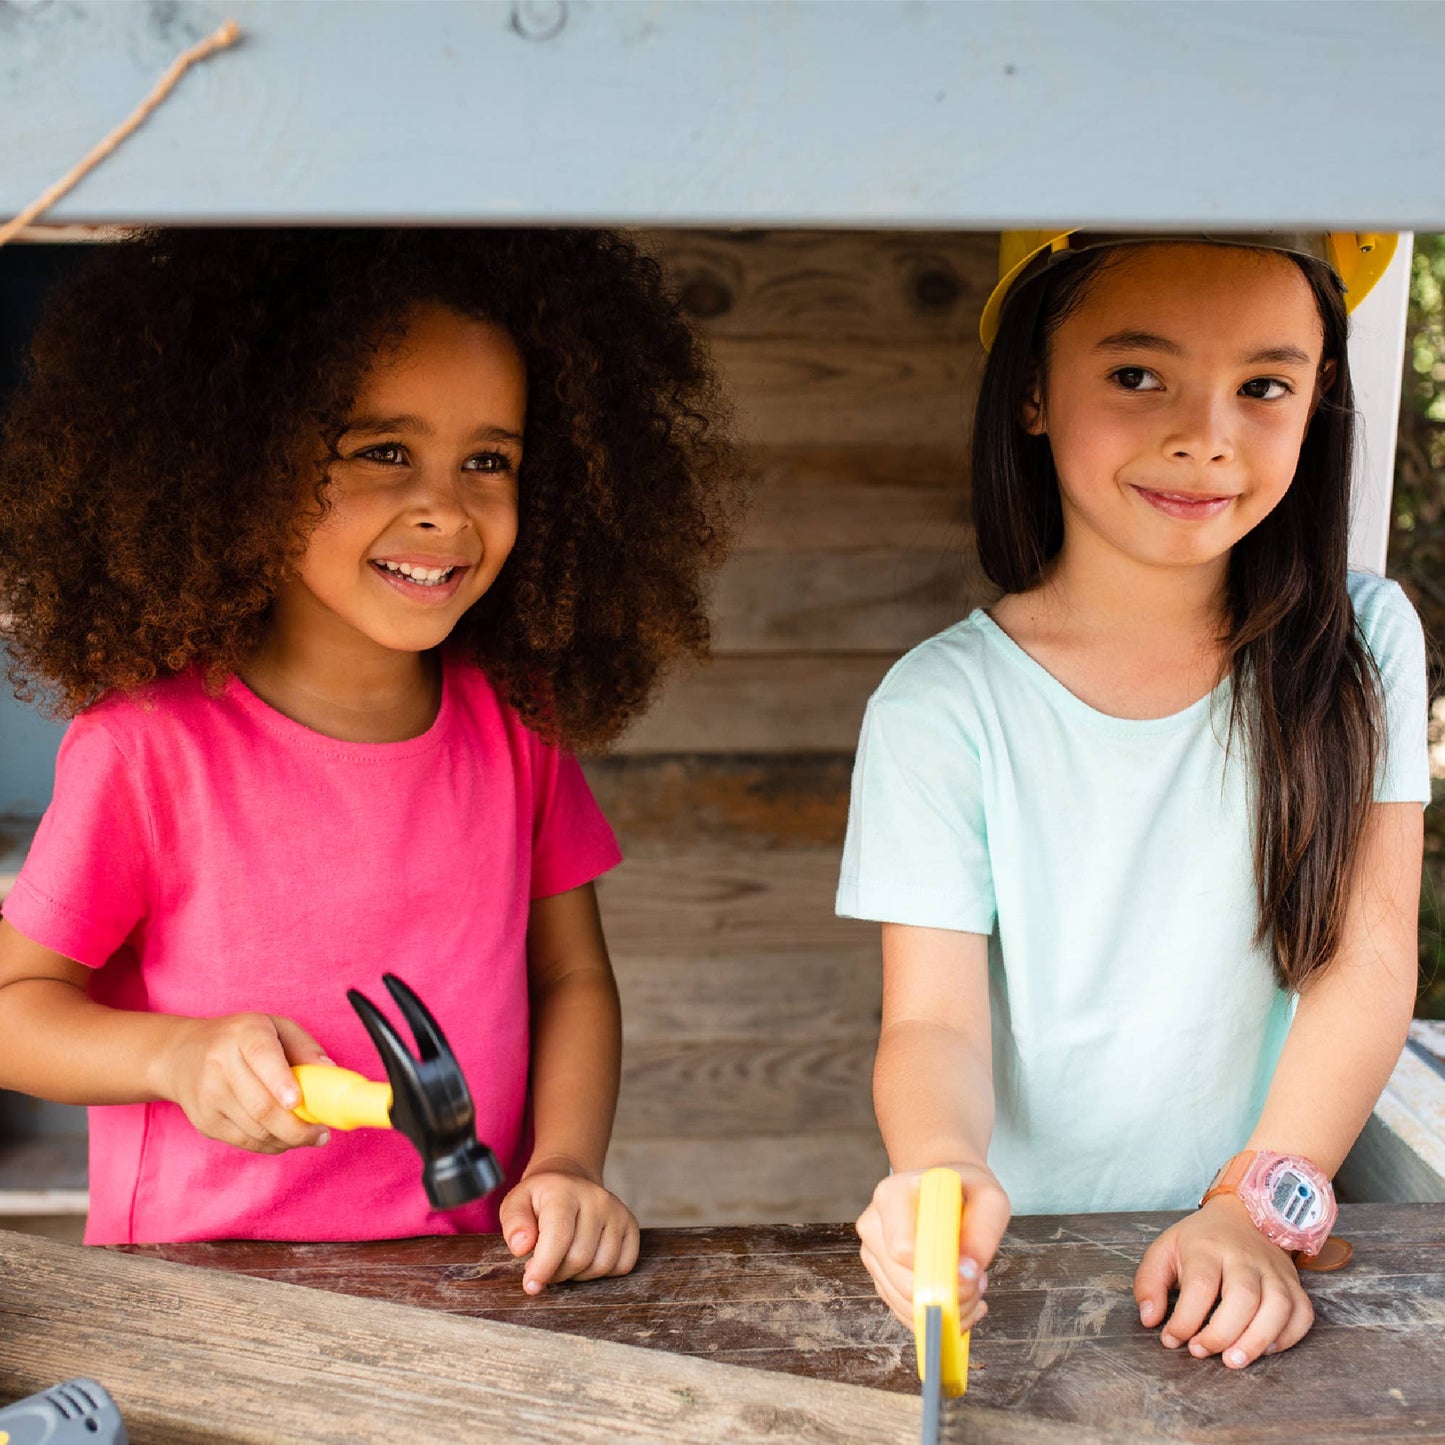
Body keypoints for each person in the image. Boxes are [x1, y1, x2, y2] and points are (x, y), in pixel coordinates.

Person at [0, 229, 737, 1288]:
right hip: (196, 1291)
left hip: (464, 1282)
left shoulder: (516, 729)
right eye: (383, 450)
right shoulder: (148, 747)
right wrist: (174, 1055)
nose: (444, 506)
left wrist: (567, 1162)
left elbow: (572, 976)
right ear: (244, 459)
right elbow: (14, 1007)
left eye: (490, 459)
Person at [838, 231, 1428, 1369]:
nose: (1203, 433)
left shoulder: (1362, 643)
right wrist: (938, 1166)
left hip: (1257, 1264)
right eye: (1135, 374)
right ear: (1027, 393)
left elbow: (1365, 957)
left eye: (1262, 385)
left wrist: (1249, 1206)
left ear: (1319, 402)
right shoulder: (936, 705)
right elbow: (929, 1020)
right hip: (1027, 1276)